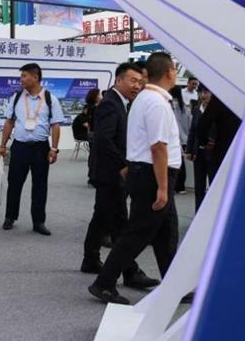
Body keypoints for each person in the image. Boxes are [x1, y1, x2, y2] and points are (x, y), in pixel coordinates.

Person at [89, 52, 182, 305]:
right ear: (169, 72)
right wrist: (163, 187)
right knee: (138, 233)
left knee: (166, 234)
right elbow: (158, 147)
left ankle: (174, 286)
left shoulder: (146, 99)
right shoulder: (156, 103)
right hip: (153, 175)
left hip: (150, 173)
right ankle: (104, 283)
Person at [81, 63, 158, 289]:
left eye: (140, 82)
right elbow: (103, 139)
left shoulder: (122, 103)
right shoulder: (110, 104)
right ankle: (130, 271)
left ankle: (90, 258)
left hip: (111, 172)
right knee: (120, 223)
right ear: (118, 80)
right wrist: (122, 165)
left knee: (102, 216)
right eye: (133, 80)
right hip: (111, 173)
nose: (137, 86)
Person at [0, 63, 65, 236]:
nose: (21, 79)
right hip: (19, 146)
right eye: (21, 76)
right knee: (14, 183)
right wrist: (3, 145)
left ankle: (38, 221)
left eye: (24, 76)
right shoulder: (17, 97)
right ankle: (10, 217)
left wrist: (54, 148)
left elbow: (55, 125)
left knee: (40, 185)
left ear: (35, 77)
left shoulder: (50, 99)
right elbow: (9, 122)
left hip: (40, 148)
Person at [196, 93, 241, 180]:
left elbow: (202, 125)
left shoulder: (220, 98)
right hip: (243, 149)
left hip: (221, 149)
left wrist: (205, 142)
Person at [185, 84, 212, 211]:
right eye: (201, 92)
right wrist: (189, 150)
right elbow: (192, 131)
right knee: (199, 186)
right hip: (198, 153)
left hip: (213, 154)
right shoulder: (197, 109)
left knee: (213, 184)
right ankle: (198, 213)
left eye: (206, 92)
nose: (203, 95)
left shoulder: (218, 111)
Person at [169, 86, 190, 194]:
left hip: (174, 138)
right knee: (181, 163)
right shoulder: (184, 106)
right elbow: (188, 122)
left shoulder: (170, 105)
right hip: (184, 138)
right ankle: (181, 186)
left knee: (172, 163)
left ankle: (173, 186)